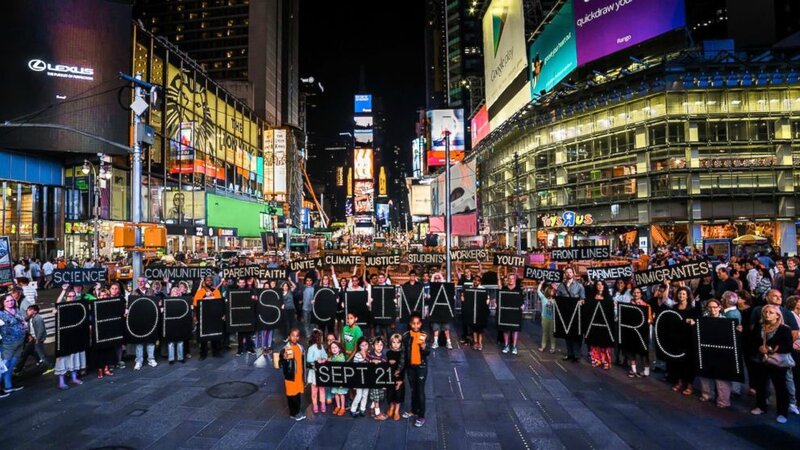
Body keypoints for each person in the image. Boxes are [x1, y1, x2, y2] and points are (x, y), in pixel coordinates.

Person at [750, 305, 794, 424]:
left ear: (777, 315)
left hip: (777, 362)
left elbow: (788, 347)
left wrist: (771, 349)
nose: (767, 314)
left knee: (780, 387)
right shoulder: (760, 326)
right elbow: (753, 341)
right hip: (761, 360)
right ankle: (761, 406)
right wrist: (759, 347)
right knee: (761, 385)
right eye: (765, 312)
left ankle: (782, 412)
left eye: (771, 312)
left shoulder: (784, 329)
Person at [691, 299, 734, 408]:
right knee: (705, 374)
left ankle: (723, 401)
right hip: (706, 350)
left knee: (721, 377)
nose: (712, 309)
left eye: (715, 307)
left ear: (720, 307)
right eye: (710, 307)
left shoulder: (726, 321)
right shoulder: (704, 319)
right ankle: (707, 395)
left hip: (721, 352)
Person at [53, 288, 86, 390]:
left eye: (73, 296)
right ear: (66, 297)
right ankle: (61, 381)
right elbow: (57, 304)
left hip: (74, 336)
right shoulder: (62, 306)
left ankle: (74, 377)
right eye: (69, 296)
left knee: (74, 357)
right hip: (63, 337)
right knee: (62, 358)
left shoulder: (78, 306)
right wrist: (63, 290)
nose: (71, 298)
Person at [402, 312, 429, 427]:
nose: (416, 326)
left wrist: (424, 348)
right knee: (413, 390)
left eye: (418, 323)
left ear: (421, 324)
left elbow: (427, 352)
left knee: (420, 391)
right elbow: (404, 353)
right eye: (414, 323)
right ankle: (413, 410)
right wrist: (401, 368)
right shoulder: (406, 335)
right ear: (410, 324)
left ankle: (421, 416)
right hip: (410, 367)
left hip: (421, 367)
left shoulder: (425, 335)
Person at [556, 267, 585, 362]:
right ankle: (570, 353)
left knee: (576, 334)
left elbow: (583, 298)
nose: (568, 274)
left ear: (573, 273)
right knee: (567, 334)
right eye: (567, 272)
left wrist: (581, 302)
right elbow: (558, 298)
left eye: (570, 272)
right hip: (565, 313)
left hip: (576, 313)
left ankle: (577, 355)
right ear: (565, 274)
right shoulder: (561, 286)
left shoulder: (579, 286)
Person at [0, 294, 27, 393]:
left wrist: (24, 325)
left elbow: (22, 321)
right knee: (3, 366)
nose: (10, 302)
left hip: (20, 342)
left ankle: (8, 386)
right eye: (7, 301)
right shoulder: (1, 314)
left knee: (11, 366)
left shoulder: (17, 310)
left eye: (11, 300)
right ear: (3, 303)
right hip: (8, 345)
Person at [193, 276, 224, 359]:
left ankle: (216, 352)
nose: (209, 282)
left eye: (210, 280)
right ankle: (203, 354)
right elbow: (195, 305)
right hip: (203, 317)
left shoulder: (216, 291)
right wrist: (195, 317)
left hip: (214, 316)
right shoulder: (200, 292)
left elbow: (220, 303)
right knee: (203, 337)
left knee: (215, 335)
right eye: (207, 280)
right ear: (204, 281)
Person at [281, 328, 306, 421]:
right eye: (292, 335)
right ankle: (294, 413)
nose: (295, 338)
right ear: (289, 337)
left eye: (297, 336)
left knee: (298, 394)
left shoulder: (300, 347)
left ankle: (297, 411)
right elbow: (280, 363)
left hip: (299, 376)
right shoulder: (285, 349)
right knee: (292, 395)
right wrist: (284, 358)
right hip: (290, 377)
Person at [589, 280, 613, 369]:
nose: (600, 286)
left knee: (605, 343)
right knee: (595, 342)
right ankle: (596, 360)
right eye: (598, 284)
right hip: (594, 322)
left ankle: (606, 361)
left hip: (605, 322)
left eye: (602, 284)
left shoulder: (608, 297)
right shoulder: (592, 296)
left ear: (604, 286)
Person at [306, 329, 328, 414]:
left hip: (320, 371)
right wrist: (316, 360)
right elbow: (308, 359)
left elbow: (325, 354)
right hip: (314, 371)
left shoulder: (321, 347)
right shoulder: (311, 348)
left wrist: (324, 359)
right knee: (314, 390)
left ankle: (322, 404)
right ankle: (315, 404)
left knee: (322, 389)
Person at [501, 274, 524, 355]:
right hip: (506, 311)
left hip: (515, 311)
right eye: (509, 278)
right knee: (506, 329)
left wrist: (522, 305)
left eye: (512, 278)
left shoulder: (518, 289)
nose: (511, 280)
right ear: (507, 279)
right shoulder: (504, 288)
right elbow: (501, 299)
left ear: (515, 280)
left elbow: (522, 300)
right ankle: (506, 345)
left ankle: (514, 346)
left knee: (515, 330)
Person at [348, 337, 370, 417]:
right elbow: (355, 368)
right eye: (362, 345)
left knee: (365, 394)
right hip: (359, 379)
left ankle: (362, 409)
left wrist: (366, 357)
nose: (364, 347)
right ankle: (353, 409)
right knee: (359, 395)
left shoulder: (370, 354)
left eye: (366, 345)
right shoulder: (357, 355)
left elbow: (371, 364)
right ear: (359, 346)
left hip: (367, 378)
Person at [386, 333, 406, 421]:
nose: (395, 345)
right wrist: (388, 362)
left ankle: (397, 411)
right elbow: (385, 366)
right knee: (390, 394)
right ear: (390, 343)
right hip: (390, 377)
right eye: (393, 342)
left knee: (398, 395)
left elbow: (404, 367)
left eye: (398, 343)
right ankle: (391, 407)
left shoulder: (402, 354)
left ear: (401, 344)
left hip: (399, 378)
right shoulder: (388, 353)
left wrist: (401, 380)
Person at [368, 336, 388, 420]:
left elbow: (385, 370)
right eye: (377, 344)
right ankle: (377, 413)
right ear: (373, 346)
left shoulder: (384, 357)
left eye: (381, 345)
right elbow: (365, 361)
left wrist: (385, 383)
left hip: (380, 380)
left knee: (379, 395)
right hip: (373, 379)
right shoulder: (370, 355)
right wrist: (371, 361)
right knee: (376, 396)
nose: (379, 347)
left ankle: (371, 407)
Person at [166, 286, 187, 364]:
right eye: (174, 290)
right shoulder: (167, 300)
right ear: (171, 292)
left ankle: (180, 357)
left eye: (177, 290)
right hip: (170, 323)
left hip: (180, 323)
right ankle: (171, 359)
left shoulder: (183, 301)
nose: (176, 291)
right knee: (171, 342)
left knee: (180, 341)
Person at [328, 340, 348, 416]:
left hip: (340, 378)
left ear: (339, 348)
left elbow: (338, 366)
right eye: (332, 347)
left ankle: (342, 407)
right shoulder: (332, 357)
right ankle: (338, 406)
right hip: (334, 378)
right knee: (336, 393)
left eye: (336, 347)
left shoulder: (341, 357)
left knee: (341, 394)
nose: (334, 349)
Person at [537, 283, 557, 353]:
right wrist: (541, 283)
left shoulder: (556, 300)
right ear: (548, 291)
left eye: (553, 291)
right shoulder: (544, 298)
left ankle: (553, 348)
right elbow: (538, 291)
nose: (553, 292)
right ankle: (543, 346)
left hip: (553, 319)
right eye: (551, 291)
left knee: (552, 334)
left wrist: (556, 288)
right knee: (545, 333)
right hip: (545, 318)